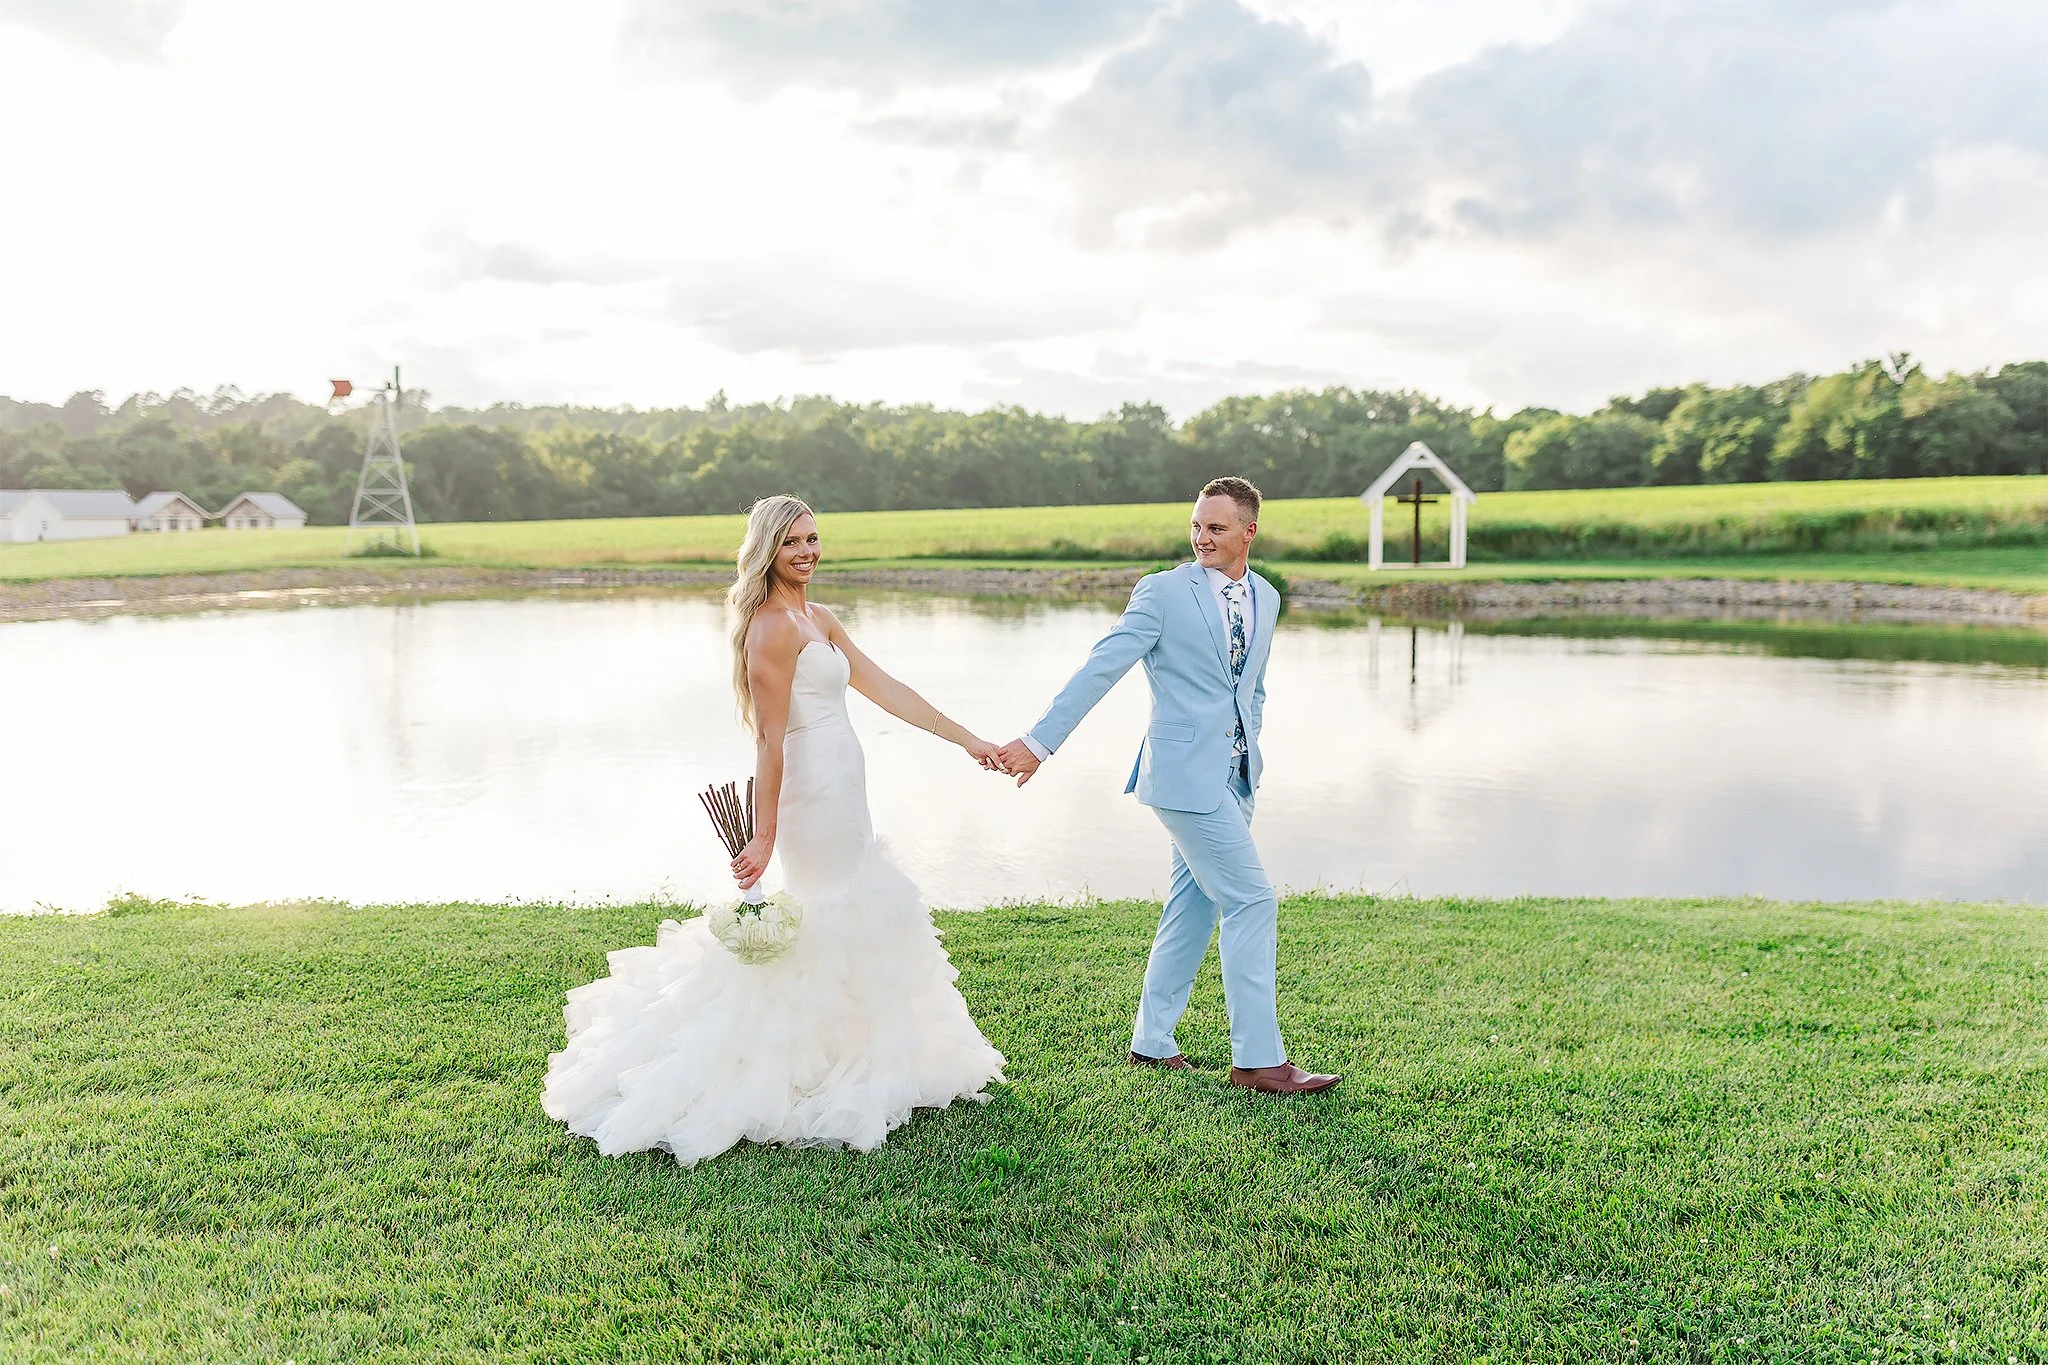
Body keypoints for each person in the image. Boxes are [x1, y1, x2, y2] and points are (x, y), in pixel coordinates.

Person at [542, 495, 1007, 1164]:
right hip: (810, 792)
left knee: (856, 910)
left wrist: (968, 739)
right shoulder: (769, 628)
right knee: (826, 912)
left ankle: (859, 1053)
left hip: (847, 782)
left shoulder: (818, 616)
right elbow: (768, 740)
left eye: (814, 538)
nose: (809, 552)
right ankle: (787, 1067)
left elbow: (887, 687)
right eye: (793, 541)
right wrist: (762, 835)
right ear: (767, 550)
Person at [995, 477, 1339, 1094]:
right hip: (1182, 777)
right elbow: (1101, 667)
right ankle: (1258, 1060)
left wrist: (1247, 752)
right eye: (1196, 526)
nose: (1202, 538)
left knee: (1194, 906)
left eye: (1217, 528)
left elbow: (1252, 687)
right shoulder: (1161, 593)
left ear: (1248, 533)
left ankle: (1152, 1044)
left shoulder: (1266, 595)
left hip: (1235, 779)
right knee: (1254, 900)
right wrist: (1039, 743)